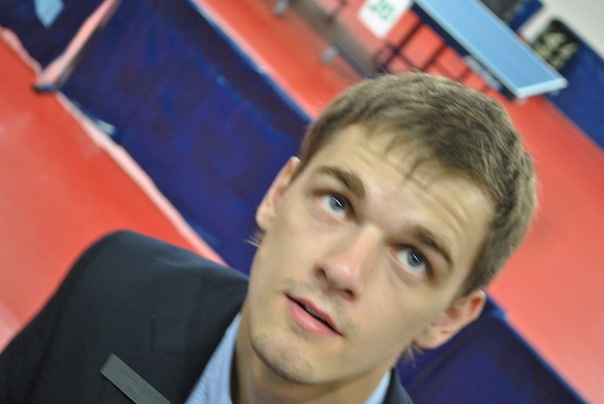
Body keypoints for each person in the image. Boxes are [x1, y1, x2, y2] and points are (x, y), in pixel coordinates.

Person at [0, 72, 536, 403]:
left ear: (449, 316)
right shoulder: (114, 284)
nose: (343, 270)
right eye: (337, 203)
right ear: (280, 193)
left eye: (414, 257)